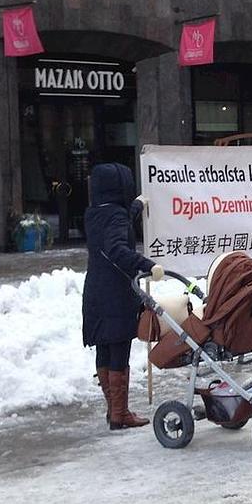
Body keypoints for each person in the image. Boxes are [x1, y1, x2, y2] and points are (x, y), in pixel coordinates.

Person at [82, 162, 156, 430]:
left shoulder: (94, 214)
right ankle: (120, 414)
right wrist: (149, 266)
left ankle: (113, 409)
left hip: (95, 291)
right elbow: (116, 249)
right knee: (119, 348)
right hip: (115, 292)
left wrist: (136, 206)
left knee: (104, 346)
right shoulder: (116, 216)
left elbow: (117, 221)